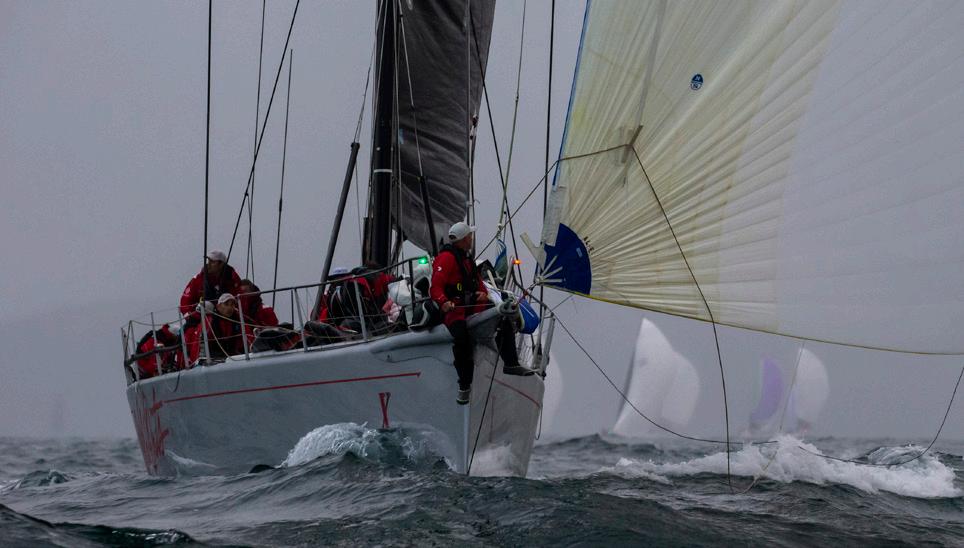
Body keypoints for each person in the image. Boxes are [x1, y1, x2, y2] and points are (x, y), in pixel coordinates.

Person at [431, 221, 532, 404]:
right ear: (463, 239)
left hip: (472, 308)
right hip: (455, 311)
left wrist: (484, 295)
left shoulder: (467, 259)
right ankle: (464, 385)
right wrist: (443, 302)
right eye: (469, 236)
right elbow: (436, 286)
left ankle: (511, 363)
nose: (472, 238)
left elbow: (478, 284)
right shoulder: (446, 258)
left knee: (502, 317)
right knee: (462, 339)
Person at [179, 249, 241, 315]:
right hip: (204, 317)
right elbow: (185, 302)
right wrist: (189, 315)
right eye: (209, 261)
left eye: (213, 262)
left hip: (230, 317)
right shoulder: (198, 279)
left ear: (221, 264)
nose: (209, 264)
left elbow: (241, 299)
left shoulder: (233, 279)